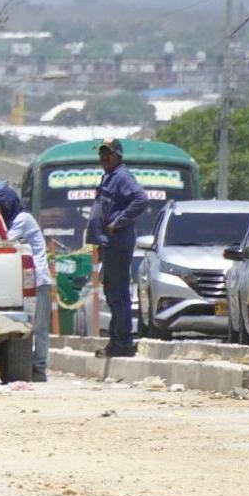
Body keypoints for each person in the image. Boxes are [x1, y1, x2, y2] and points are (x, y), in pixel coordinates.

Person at [86, 137, 148, 358]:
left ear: (117, 155)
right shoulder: (109, 177)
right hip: (108, 244)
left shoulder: (122, 176)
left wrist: (118, 222)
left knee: (118, 293)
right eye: (101, 153)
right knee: (112, 291)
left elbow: (141, 199)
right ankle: (116, 341)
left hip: (118, 243)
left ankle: (122, 343)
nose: (103, 157)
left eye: (108, 153)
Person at [0, 183, 52, 382]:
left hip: (39, 279)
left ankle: (40, 368)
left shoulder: (22, 219)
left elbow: (6, 241)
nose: (1, 209)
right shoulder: (12, 220)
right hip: (25, 281)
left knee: (40, 327)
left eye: (3, 205)